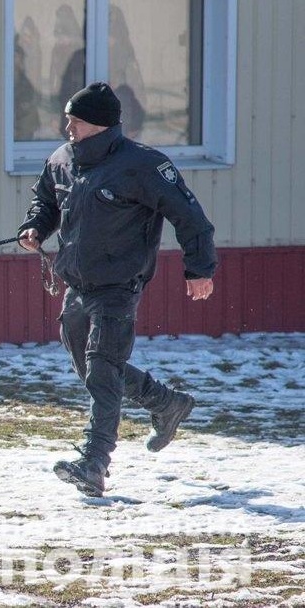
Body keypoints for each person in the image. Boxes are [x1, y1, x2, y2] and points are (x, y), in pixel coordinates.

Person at [17, 82, 217, 497]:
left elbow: (190, 216)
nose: (67, 126)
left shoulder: (143, 165)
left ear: (101, 125)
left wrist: (199, 269)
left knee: (103, 369)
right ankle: (166, 403)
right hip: (77, 282)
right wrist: (34, 226)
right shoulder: (61, 160)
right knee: (93, 370)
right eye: (68, 118)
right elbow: (45, 203)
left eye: (76, 120)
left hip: (118, 285)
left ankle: (94, 463)